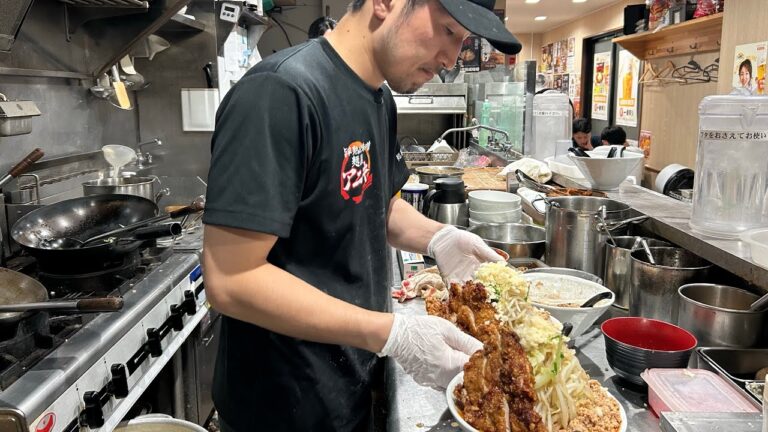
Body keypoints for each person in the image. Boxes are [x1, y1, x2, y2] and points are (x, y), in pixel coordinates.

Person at [201, 0, 522, 429]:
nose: (450, 59)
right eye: (447, 30)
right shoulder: (281, 93)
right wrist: (393, 334)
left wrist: (438, 237)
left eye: (462, 42)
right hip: (284, 406)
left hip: (348, 387)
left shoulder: (378, 98)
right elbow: (230, 279)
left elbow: (376, 203)